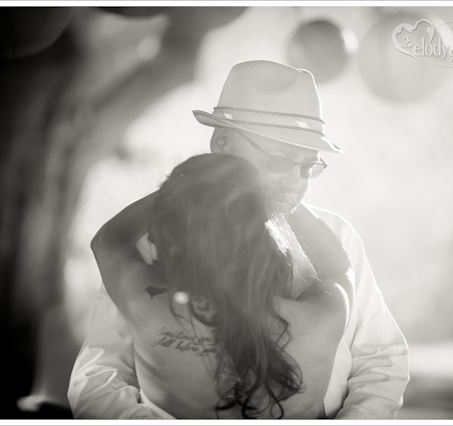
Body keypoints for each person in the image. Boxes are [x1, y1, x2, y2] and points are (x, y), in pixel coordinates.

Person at [68, 60, 409, 420]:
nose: (297, 183)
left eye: (308, 167)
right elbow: (99, 374)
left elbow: (380, 361)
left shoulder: (339, 235)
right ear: (222, 142)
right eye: (279, 159)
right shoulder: (149, 243)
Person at [91, 153, 354, 419]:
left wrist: (187, 186)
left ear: (170, 237)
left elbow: (109, 239)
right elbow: (340, 267)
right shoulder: (322, 319)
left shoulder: (147, 306)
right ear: (262, 235)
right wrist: (278, 195)